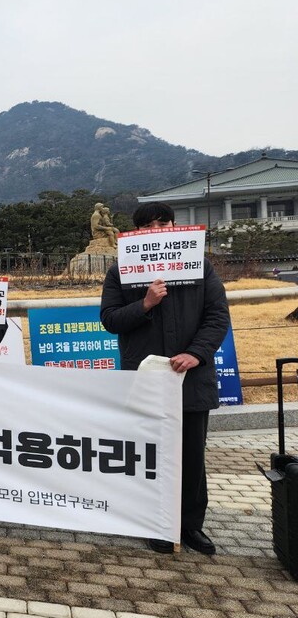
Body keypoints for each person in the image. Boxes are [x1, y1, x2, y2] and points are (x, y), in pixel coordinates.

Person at [100, 202, 230, 556]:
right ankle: (155, 523)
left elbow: (217, 316)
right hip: (146, 379)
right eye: (147, 224)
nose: (156, 229)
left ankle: (190, 526)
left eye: (163, 222)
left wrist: (197, 353)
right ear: (136, 232)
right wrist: (145, 304)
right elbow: (110, 319)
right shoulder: (120, 271)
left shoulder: (199, 266)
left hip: (191, 377)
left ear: (175, 226)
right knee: (147, 454)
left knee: (191, 456)